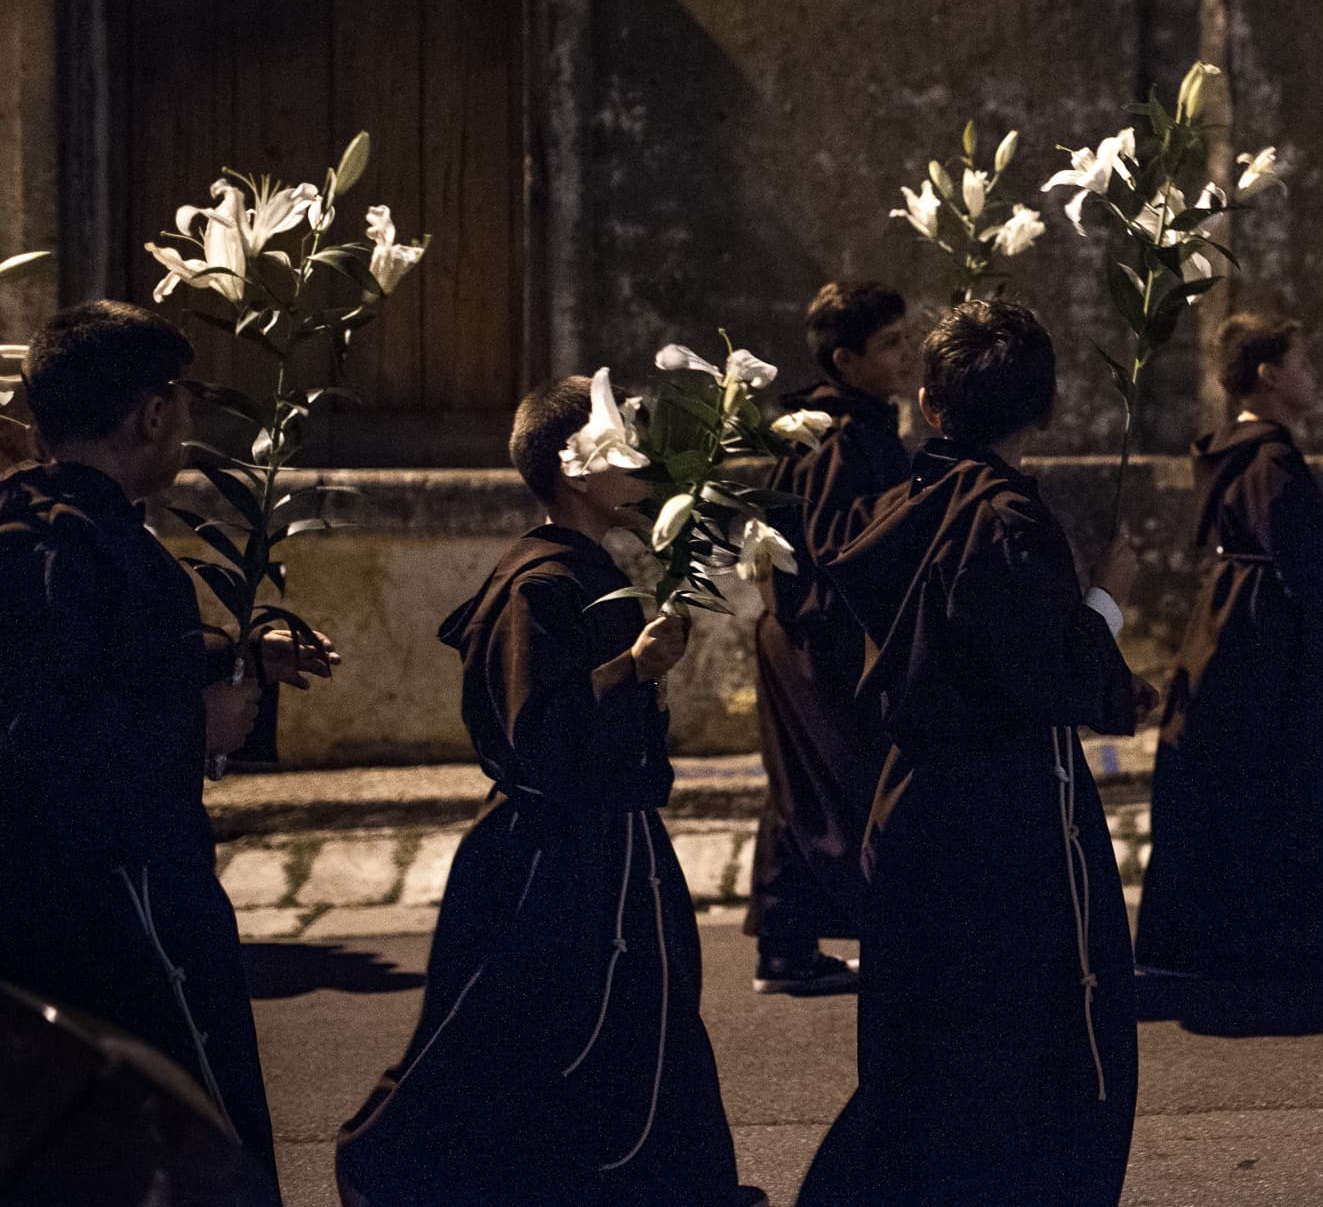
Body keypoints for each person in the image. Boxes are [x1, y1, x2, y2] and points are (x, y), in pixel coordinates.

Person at [335, 376, 764, 1207]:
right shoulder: (539, 583)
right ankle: (393, 1170)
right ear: (575, 469)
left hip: (613, 845)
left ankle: (669, 1187)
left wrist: (642, 687)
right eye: (624, 439)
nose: (642, 455)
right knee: (512, 1033)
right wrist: (630, 669)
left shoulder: (586, 569)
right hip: (557, 855)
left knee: (650, 1019)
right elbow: (535, 726)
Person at [795, 299, 1149, 1207]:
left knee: (928, 1046)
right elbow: (1044, 673)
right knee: (1032, 1048)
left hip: (915, 801)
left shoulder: (908, 502)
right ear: (1047, 411)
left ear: (928, 404)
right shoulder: (1006, 522)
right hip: (1010, 815)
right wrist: (1109, 604)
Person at [0, 300, 338, 1205]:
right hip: (127, 907)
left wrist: (233, 658)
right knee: (195, 1129)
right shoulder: (93, 546)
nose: (188, 424)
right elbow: (48, 736)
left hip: (48, 907)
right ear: (153, 414)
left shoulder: (33, 523)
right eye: (183, 404)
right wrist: (204, 724)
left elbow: (87, 667)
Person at [1135, 312, 1323, 979]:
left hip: (1238, 629)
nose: (1313, 375)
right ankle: (1294, 927)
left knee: (1260, 776)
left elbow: (1270, 528)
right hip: (1270, 641)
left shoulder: (1239, 448)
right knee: (1290, 772)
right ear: (1269, 374)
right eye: (1301, 363)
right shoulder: (1271, 454)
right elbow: (1299, 551)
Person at [745, 281, 916, 994]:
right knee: (851, 787)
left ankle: (786, 945)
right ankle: (886, 935)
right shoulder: (840, 436)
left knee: (799, 791)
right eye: (890, 345)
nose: (906, 356)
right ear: (845, 359)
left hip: (806, 632)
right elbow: (844, 545)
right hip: (824, 638)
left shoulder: (842, 424)